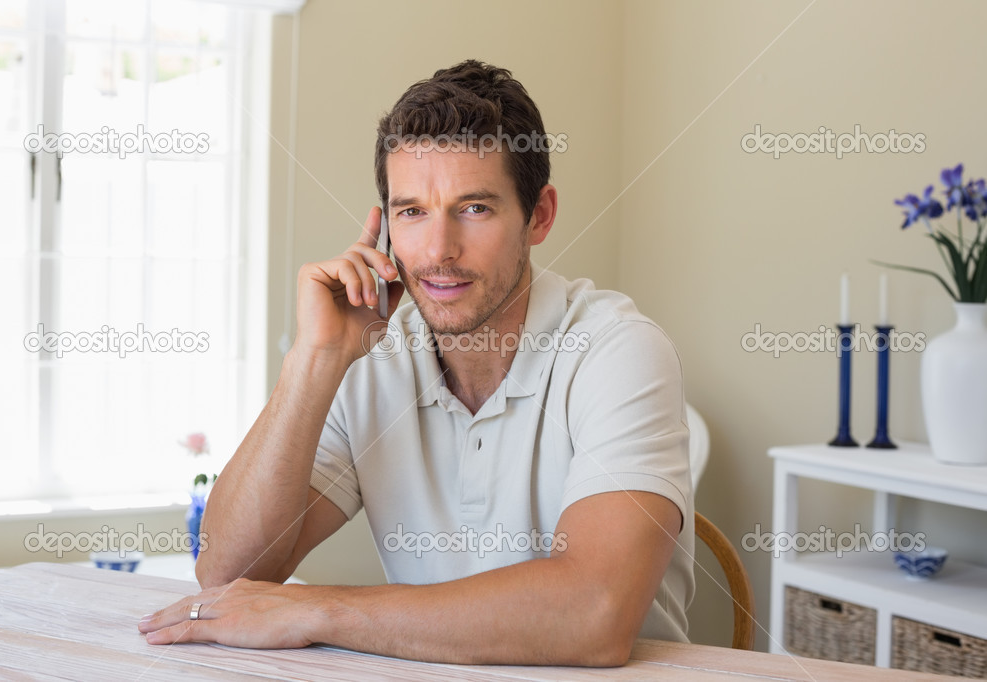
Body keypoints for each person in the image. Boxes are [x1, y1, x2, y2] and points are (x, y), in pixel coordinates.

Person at [139, 59, 694, 667]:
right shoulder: (370, 355)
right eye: (411, 212)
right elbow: (228, 572)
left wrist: (317, 608)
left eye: (475, 208)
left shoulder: (618, 351)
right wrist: (315, 360)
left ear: (538, 215)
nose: (437, 251)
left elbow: (595, 614)